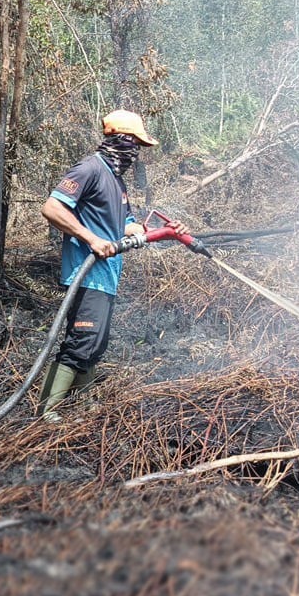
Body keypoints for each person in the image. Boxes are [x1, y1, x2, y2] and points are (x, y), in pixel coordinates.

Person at [37, 108, 182, 420]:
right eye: (136, 146)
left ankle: (83, 406)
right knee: (81, 342)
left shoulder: (116, 181)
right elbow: (52, 208)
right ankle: (47, 413)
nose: (137, 155)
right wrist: (91, 239)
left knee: (94, 344)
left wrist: (151, 231)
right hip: (86, 274)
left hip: (106, 276)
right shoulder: (89, 169)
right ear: (122, 140)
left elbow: (126, 225)